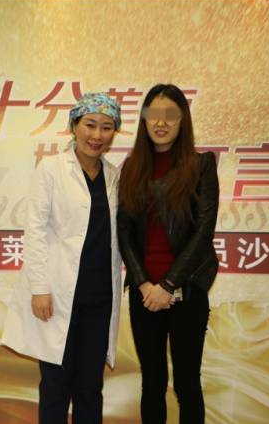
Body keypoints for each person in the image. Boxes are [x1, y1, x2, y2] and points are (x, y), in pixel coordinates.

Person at [2, 93, 123, 424]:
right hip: (57, 296)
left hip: (100, 298)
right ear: (74, 125)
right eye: (90, 125)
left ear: (114, 133)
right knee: (56, 385)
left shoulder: (114, 176)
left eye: (107, 127)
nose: (97, 135)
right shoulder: (52, 169)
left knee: (90, 387)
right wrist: (39, 288)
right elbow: (35, 230)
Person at [117, 83, 219, 424]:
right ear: (144, 119)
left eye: (170, 115)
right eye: (154, 115)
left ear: (182, 119)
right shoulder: (132, 168)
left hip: (187, 290)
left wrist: (169, 284)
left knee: (187, 383)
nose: (161, 123)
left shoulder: (201, 165)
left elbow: (204, 232)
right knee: (152, 382)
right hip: (145, 295)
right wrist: (144, 284)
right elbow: (124, 232)